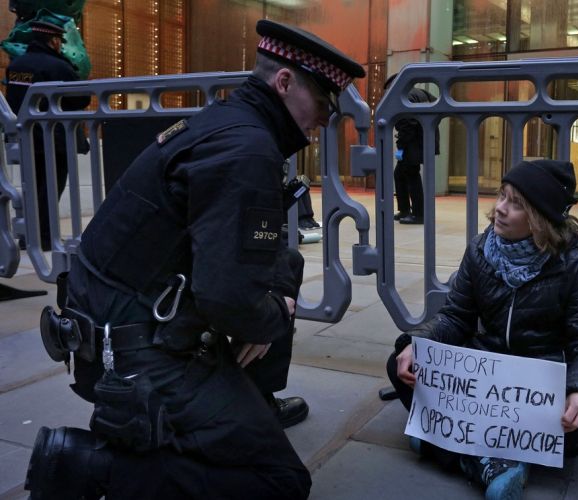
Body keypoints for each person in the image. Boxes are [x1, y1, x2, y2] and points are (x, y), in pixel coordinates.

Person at [24, 19, 364, 499]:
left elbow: (245, 261)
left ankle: (245, 406)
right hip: (134, 355)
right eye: (324, 105)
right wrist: (273, 315)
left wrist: (268, 304)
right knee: (278, 481)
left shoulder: (225, 124)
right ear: (284, 82)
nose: (326, 120)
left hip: (110, 324)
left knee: (284, 266)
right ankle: (90, 468)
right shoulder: (248, 150)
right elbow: (228, 300)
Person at [386, 160, 578, 499]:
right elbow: (455, 317)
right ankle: (493, 459)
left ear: (540, 218)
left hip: (537, 386)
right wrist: (417, 343)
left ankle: (454, 446)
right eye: (502, 196)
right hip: (482, 380)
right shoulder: (480, 250)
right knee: (401, 365)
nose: (500, 209)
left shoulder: (575, 264)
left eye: (516, 203)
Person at [4, 19, 90, 251]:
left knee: (31, 187)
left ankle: (28, 236)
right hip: (55, 139)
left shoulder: (17, 66)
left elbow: (14, 100)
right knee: (50, 189)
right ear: (53, 41)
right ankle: (44, 237)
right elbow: (82, 98)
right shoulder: (58, 66)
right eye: (59, 41)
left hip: (27, 137)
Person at [385, 74, 439, 225]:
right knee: (401, 174)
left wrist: (401, 146)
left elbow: (408, 124)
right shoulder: (420, 93)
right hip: (424, 140)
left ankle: (418, 214)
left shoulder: (404, 96)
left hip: (413, 143)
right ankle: (405, 210)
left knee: (411, 175)